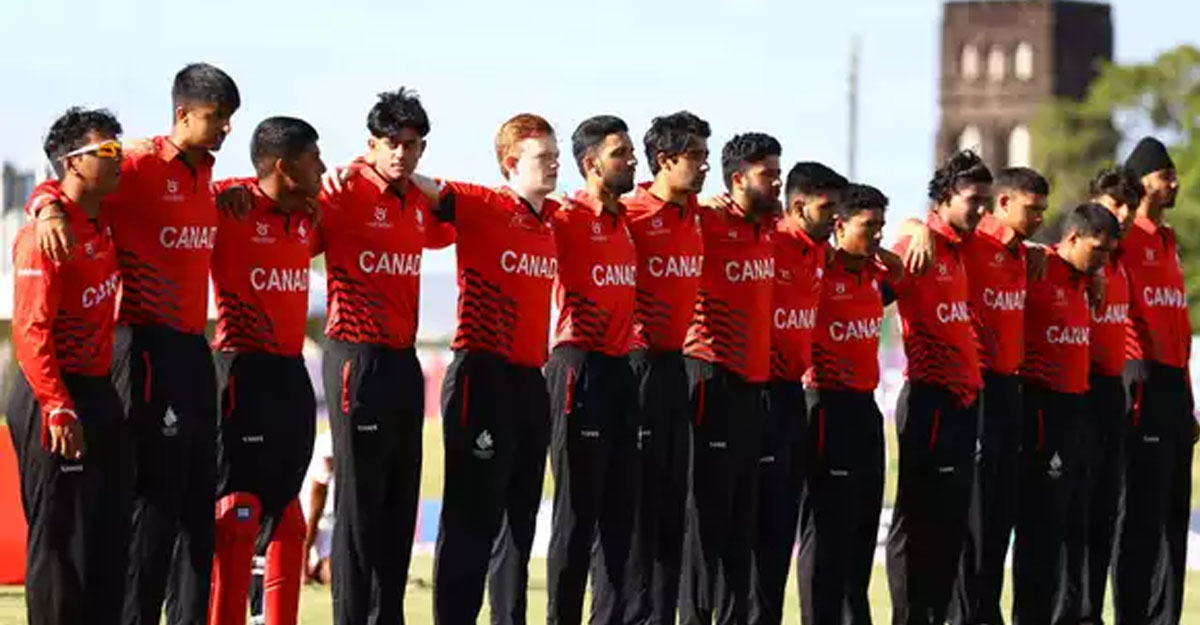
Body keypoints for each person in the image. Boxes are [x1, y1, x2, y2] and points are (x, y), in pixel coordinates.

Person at [32, 62, 241, 625]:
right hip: (144, 347)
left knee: (198, 505)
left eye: (231, 118)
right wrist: (44, 205)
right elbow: (64, 174)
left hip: (194, 349)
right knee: (153, 506)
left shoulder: (209, 178)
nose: (226, 128)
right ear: (183, 114)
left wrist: (235, 195)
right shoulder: (138, 163)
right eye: (217, 117)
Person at [405, 113, 560, 625]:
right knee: (472, 515)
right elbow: (415, 180)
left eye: (556, 155)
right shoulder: (483, 203)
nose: (554, 164)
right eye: (543, 157)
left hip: (531, 380)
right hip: (482, 375)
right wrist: (362, 167)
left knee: (519, 517)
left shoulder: (556, 218)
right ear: (511, 163)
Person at [317, 87, 454, 625]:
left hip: (402, 360)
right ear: (371, 143)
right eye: (391, 142)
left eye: (411, 144)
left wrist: (427, 184)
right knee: (359, 505)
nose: (400, 153)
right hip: (356, 356)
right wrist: (337, 173)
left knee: (400, 500)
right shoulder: (342, 190)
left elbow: (455, 221)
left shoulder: (416, 199)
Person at [9, 107, 130, 625]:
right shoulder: (44, 237)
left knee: (105, 532)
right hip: (51, 393)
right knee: (61, 537)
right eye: (107, 151)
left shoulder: (104, 218)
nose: (119, 159)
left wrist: (45, 201)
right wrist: (57, 406)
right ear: (73, 162)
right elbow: (30, 331)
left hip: (97, 387)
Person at [205, 116, 325, 625]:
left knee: (287, 515)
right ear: (283, 167)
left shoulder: (311, 214)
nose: (323, 167)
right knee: (235, 512)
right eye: (313, 159)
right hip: (241, 371)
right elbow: (171, 194)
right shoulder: (229, 207)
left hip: (291, 374)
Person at [679, 132, 781, 625]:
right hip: (709, 375)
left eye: (779, 173)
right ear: (738, 178)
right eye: (768, 174)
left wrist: (916, 226)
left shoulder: (772, 226)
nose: (777, 182)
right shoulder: (705, 219)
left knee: (744, 522)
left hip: (754, 387)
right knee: (706, 522)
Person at [543, 115, 640, 625]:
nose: (632, 160)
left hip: (622, 369)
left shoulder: (628, 219)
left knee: (620, 515)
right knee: (577, 514)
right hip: (577, 368)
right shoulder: (563, 217)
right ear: (590, 163)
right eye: (620, 153)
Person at [887, 149, 990, 625]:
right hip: (928, 396)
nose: (982, 210)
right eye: (973, 201)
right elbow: (879, 268)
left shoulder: (967, 245)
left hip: (964, 400)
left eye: (986, 201)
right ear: (946, 198)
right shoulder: (918, 242)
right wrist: (915, 226)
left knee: (952, 523)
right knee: (916, 520)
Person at [796, 183, 902, 625]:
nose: (878, 234)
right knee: (826, 534)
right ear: (838, 226)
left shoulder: (877, 274)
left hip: (865, 409)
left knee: (860, 531)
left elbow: (905, 263)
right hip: (825, 406)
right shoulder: (817, 269)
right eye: (868, 226)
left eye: (882, 225)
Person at [948, 167, 1048, 625]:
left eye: (1044, 210)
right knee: (973, 514)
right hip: (977, 387)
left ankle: (987, 611)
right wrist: (914, 228)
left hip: (1012, 389)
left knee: (1000, 512)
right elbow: (920, 230)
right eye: (1032, 209)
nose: (1040, 217)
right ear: (1003, 203)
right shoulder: (971, 243)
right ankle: (964, 614)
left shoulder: (1024, 254)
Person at [623, 110, 710, 625]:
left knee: (672, 509)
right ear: (664, 159)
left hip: (677, 367)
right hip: (634, 366)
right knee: (635, 509)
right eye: (695, 156)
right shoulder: (628, 212)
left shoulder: (701, 213)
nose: (704, 166)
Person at [1014, 203, 1119, 624]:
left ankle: (1071, 615)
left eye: (1109, 253)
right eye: (1098, 250)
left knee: (1075, 522)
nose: (1103, 260)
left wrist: (1093, 273)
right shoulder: (1037, 266)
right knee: (1042, 525)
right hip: (1042, 407)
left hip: (1079, 407)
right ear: (1072, 238)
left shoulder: (1086, 278)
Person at [756, 161, 849, 625]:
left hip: (792, 396)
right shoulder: (768, 241)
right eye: (827, 208)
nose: (836, 218)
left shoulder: (819, 251)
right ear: (796, 207)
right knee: (753, 532)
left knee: (780, 532)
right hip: (758, 393)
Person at [1052, 167, 1141, 624]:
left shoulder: (1119, 264)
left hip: (1109, 393)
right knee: (1070, 511)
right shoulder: (1062, 263)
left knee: (1106, 510)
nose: (1123, 215)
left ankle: (1090, 613)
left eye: (1131, 207)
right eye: (1115, 203)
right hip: (1071, 392)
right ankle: (1063, 612)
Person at [1113, 137, 1194, 625]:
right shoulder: (1122, 237)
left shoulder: (1167, 240)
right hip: (1138, 378)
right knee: (1138, 512)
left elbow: (1177, 324)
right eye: (1166, 176)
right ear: (1143, 182)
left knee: (1172, 514)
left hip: (1173, 388)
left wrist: (1188, 399)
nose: (1175, 183)